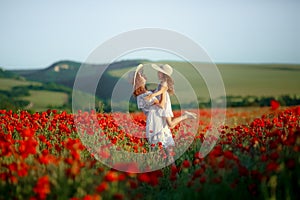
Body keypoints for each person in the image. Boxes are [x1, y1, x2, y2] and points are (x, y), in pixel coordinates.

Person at [129, 64, 196, 164]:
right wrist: (161, 93)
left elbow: (158, 101)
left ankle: (172, 175)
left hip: (158, 121)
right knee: (166, 152)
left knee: (167, 152)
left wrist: (157, 93)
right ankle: (171, 175)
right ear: (139, 80)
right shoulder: (145, 95)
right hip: (157, 123)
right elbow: (161, 104)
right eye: (142, 75)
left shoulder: (142, 94)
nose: (144, 75)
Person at [146, 63, 197, 129]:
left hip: (164, 105)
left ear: (164, 74)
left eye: (160, 72)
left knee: (170, 124)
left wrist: (153, 97)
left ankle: (185, 116)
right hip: (163, 104)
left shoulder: (164, 83)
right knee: (170, 125)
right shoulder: (162, 82)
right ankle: (185, 116)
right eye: (158, 72)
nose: (158, 73)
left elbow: (161, 92)